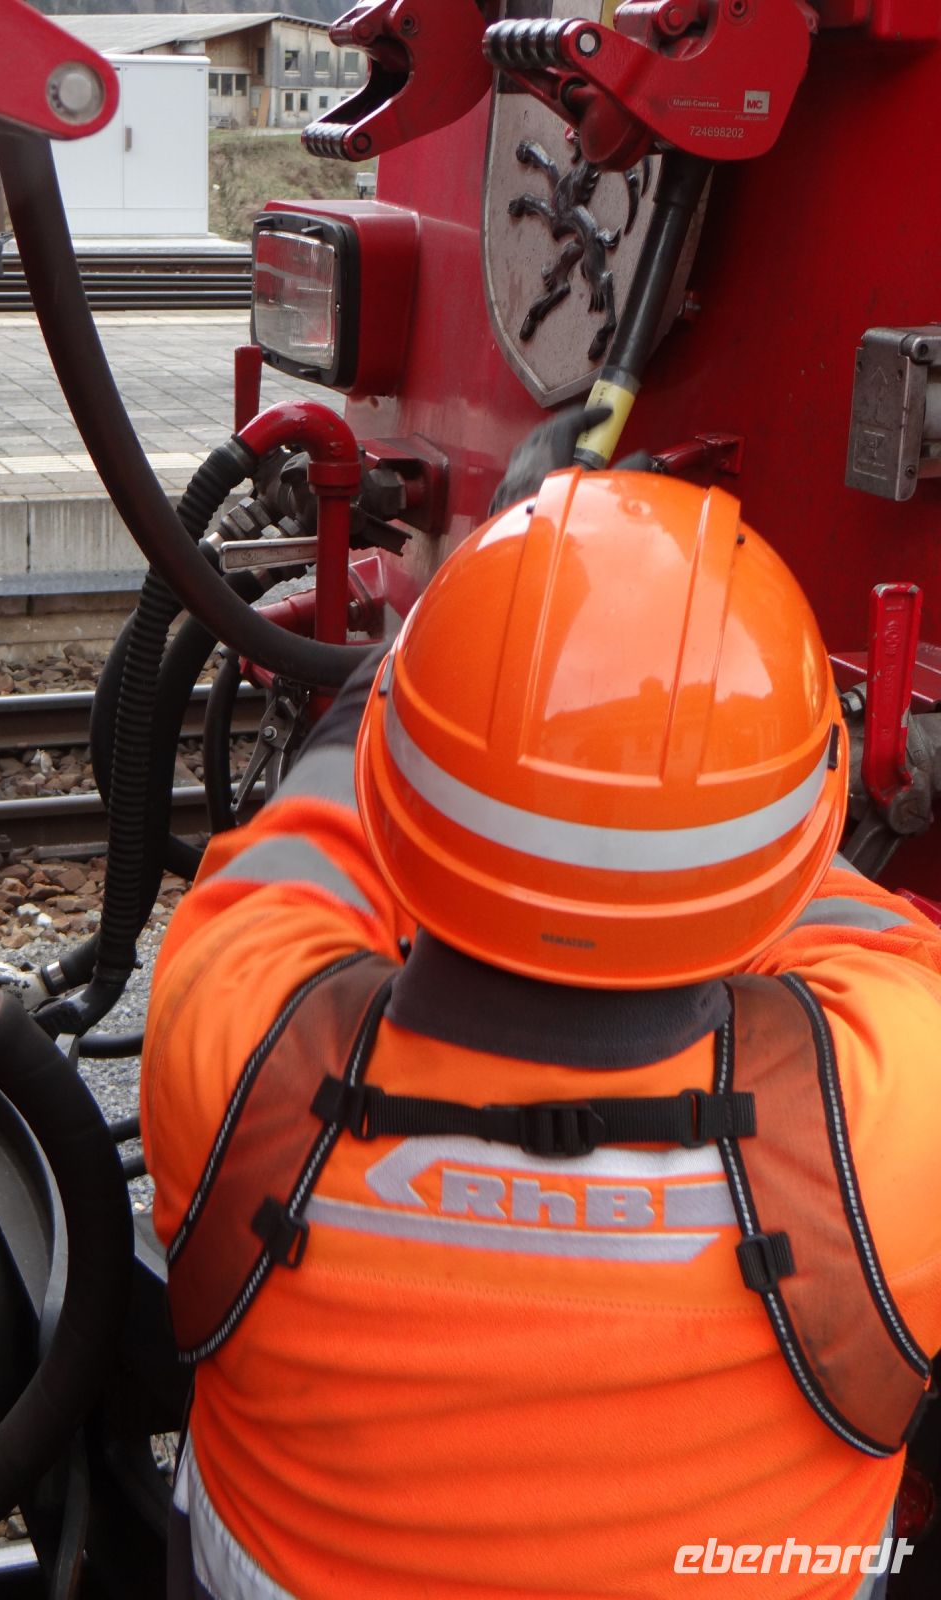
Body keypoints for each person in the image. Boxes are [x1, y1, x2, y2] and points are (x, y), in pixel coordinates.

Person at [140, 409, 941, 1600]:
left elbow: (310, 830)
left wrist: (455, 629)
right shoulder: (899, 1101)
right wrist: (688, 782)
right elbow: (838, 916)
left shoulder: (229, 1029)